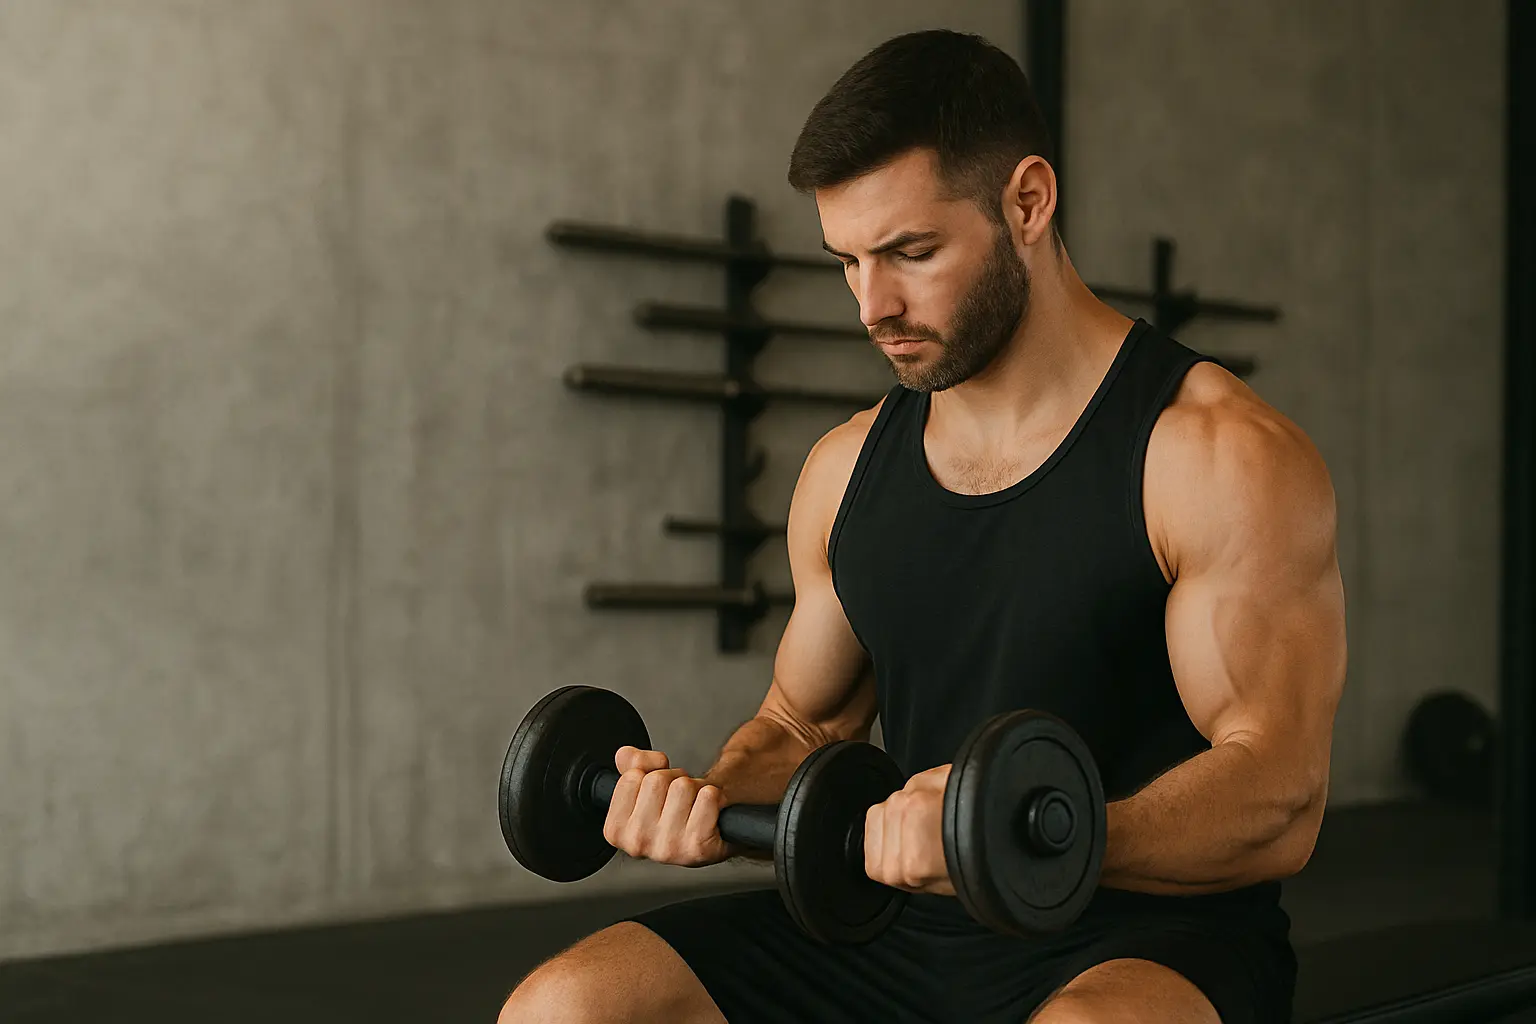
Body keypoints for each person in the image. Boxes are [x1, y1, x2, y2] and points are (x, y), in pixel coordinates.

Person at [500, 27, 1345, 1024]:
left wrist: (1010, 838)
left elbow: (1279, 795)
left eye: (911, 252)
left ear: (1027, 202)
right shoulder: (846, 470)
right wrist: (704, 798)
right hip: (895, 928)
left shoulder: (1209, 454)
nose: (873, 304)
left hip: (1144, 942)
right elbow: (801, 723)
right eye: (847, 262)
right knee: (567, 1008)